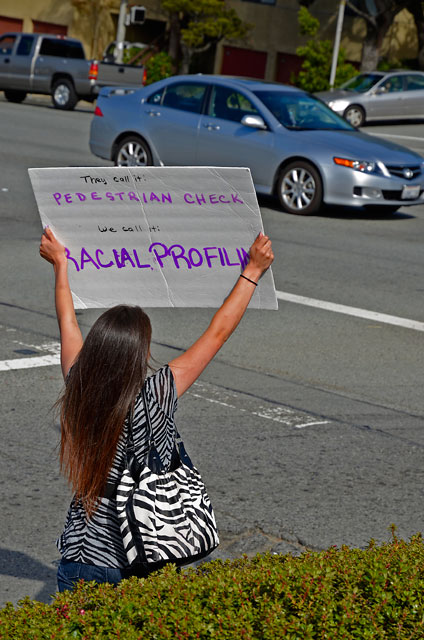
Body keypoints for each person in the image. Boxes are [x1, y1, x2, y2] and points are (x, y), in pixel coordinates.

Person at [39, 226, 274, 592]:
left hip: (78, 557)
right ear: (139, 356)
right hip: (137, 558)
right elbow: (217, 333)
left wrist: (60, 265)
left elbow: (67, 323)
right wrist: (253, 271)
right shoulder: (155, 395)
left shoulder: (78, 385)